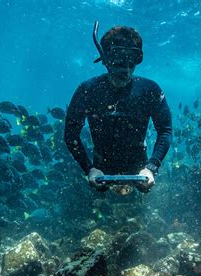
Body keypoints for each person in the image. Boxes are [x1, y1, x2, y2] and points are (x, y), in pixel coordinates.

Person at [64, 22, 172, 194]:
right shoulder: (88, 90)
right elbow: (71, 134)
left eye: (132, 62)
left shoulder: (150, 90)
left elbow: (165, 131)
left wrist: (151, 167)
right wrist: (89, 168)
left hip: (137, 170)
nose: (126, 70)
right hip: (101, 171)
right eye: (119, 63)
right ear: (105, 59)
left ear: (138, 59)